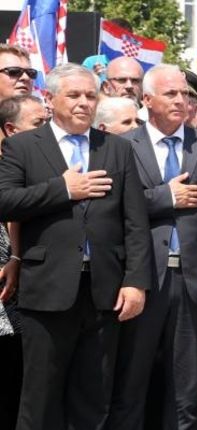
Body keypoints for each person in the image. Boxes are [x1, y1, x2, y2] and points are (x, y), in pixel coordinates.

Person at [0, 62, 152, 430]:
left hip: (104, 292)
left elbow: (134, 220)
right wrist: (63, 189)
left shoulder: (116, 148)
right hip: (46, 289)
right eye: (74, 95)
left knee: (93, 394)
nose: (84, 103)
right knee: (41, 397)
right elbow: (5, 201)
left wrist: (135, 281)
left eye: (90, 95)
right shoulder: (24, 146)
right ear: (50, 99)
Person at [106, 64, 197, 430]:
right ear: (146, 99)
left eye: (185, 94)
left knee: (185, 390)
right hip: (142, 277)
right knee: (131, 382)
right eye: (170, 94)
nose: (181, 100)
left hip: (193, 279)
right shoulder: (121, 146)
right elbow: (115, 206)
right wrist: (165, 196)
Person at [0, 93, 43, 430]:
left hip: (21, 294)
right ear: (12, 130)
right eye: (39, 124)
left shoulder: (39, 164)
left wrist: (16, 256)